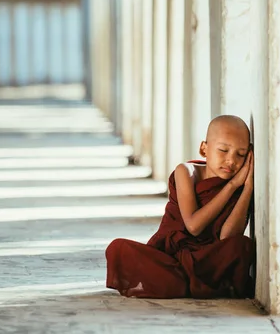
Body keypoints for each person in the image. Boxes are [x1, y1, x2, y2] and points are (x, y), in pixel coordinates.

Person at [105, 115, 255, 299]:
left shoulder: (237, 185)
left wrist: (247, 188)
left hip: (206, 260)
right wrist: (231, 187)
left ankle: (186, 284)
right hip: (171, 257)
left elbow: (227, 237)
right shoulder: (186, 172)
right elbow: (193, 226)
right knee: (118, 248)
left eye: (241, 154)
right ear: (204, 149)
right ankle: (195, 284)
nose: (231, 160)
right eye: (223, 150)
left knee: (242, 245)